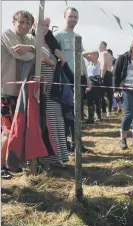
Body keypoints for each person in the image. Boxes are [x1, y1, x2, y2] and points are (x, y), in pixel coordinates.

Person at [1, 10, 36, 178]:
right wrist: (33, 52)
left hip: (21, 92)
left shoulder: (29, 38)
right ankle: (1, 165)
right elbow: (20, 55)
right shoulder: (6, 34)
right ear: (13, 22)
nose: (24, 26)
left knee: (17, 129)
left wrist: (29, 47)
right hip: (6, 91)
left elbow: (45, 53)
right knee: (7, 130)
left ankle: (11, 163)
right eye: (21, 22)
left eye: (28, 23)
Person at [34, 16, 70, 168]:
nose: (45, 27)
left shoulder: (51, 42)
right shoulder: (30, 40)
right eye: (42, 24)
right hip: (37, 90)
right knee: (43, 124)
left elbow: (60, 64)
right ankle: (44, 159)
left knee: (57, 122)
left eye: (48, 25)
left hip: (53, 90)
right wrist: (46, 61)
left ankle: (58, 157)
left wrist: (61, 60)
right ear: (35, 24)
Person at [54, 7, 91, 155]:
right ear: (65, 17)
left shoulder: (78, 37)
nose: (73, 19)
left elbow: (81, 58)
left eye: (76, 17)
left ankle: (77, 144)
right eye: (71, 16)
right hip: (65, 77)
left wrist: (86, 77)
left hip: (79, 78)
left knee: (78, 112)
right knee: (67, 112)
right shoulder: (58, 36)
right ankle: (66, 145)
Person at [85, 51, 103, 124]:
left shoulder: (97, 63)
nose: (90, 55)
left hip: (96, 81)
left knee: (97, 101)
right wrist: (91, 52)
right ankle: (91, 118)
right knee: (90, 100)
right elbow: (84, 54)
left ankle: (98, 117)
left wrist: (93, 53)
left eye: (93, 54)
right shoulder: (89, 63)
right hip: (89, 81)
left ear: (97, 56)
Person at [98, 41, 113, 119]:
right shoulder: (109, 54)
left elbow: (103, 65)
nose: (99, 47)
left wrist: (101, 77)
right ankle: (109, 112)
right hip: (110, 74)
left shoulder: (103, 54)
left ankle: (104, 112)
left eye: (100, 45)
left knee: (101, 94)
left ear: (104, 46)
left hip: (104, 74)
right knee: (110, 95)